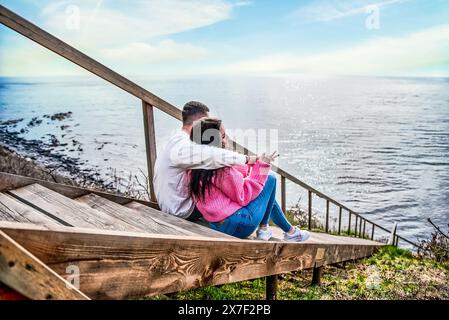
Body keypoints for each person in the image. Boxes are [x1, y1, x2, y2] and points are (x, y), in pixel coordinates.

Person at [188, 117, 310, 242]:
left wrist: (253, 161)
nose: (226, 139)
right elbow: (243, 196)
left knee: (267, 192)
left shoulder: (195, 164)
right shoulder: (223, 170)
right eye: (223, 136)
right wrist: (262, 166)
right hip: (237, 225)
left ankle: (287, 231)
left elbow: (233, 174)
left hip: (215, 223)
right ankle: (267, 229)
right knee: (270, 179)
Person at [153, 101, 257, 221]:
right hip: (182, 210)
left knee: (220, 176)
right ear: (200, 123)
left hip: (170, 205)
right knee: (235, 186)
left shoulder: (177, 139)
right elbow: (213, 155)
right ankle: (245, 221)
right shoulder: (183, 145)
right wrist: (247, 159)